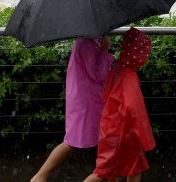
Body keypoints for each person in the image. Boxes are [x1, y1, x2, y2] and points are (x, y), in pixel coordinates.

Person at [31, 36, 114, 182]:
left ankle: (109, 175)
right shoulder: (86, 44)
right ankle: (40, 176)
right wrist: (105, 50)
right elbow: (98, 75)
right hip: (86, 102)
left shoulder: (87, 42)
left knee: (101, 138)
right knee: (73, 140)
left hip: (87, 100)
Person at [84, 27, 156, 182]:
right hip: (124, 132)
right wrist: (146, 137)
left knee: (129, 167)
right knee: (104, 171)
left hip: (111, 128)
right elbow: (135, 109)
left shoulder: (116, 70)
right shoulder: (129, 77)